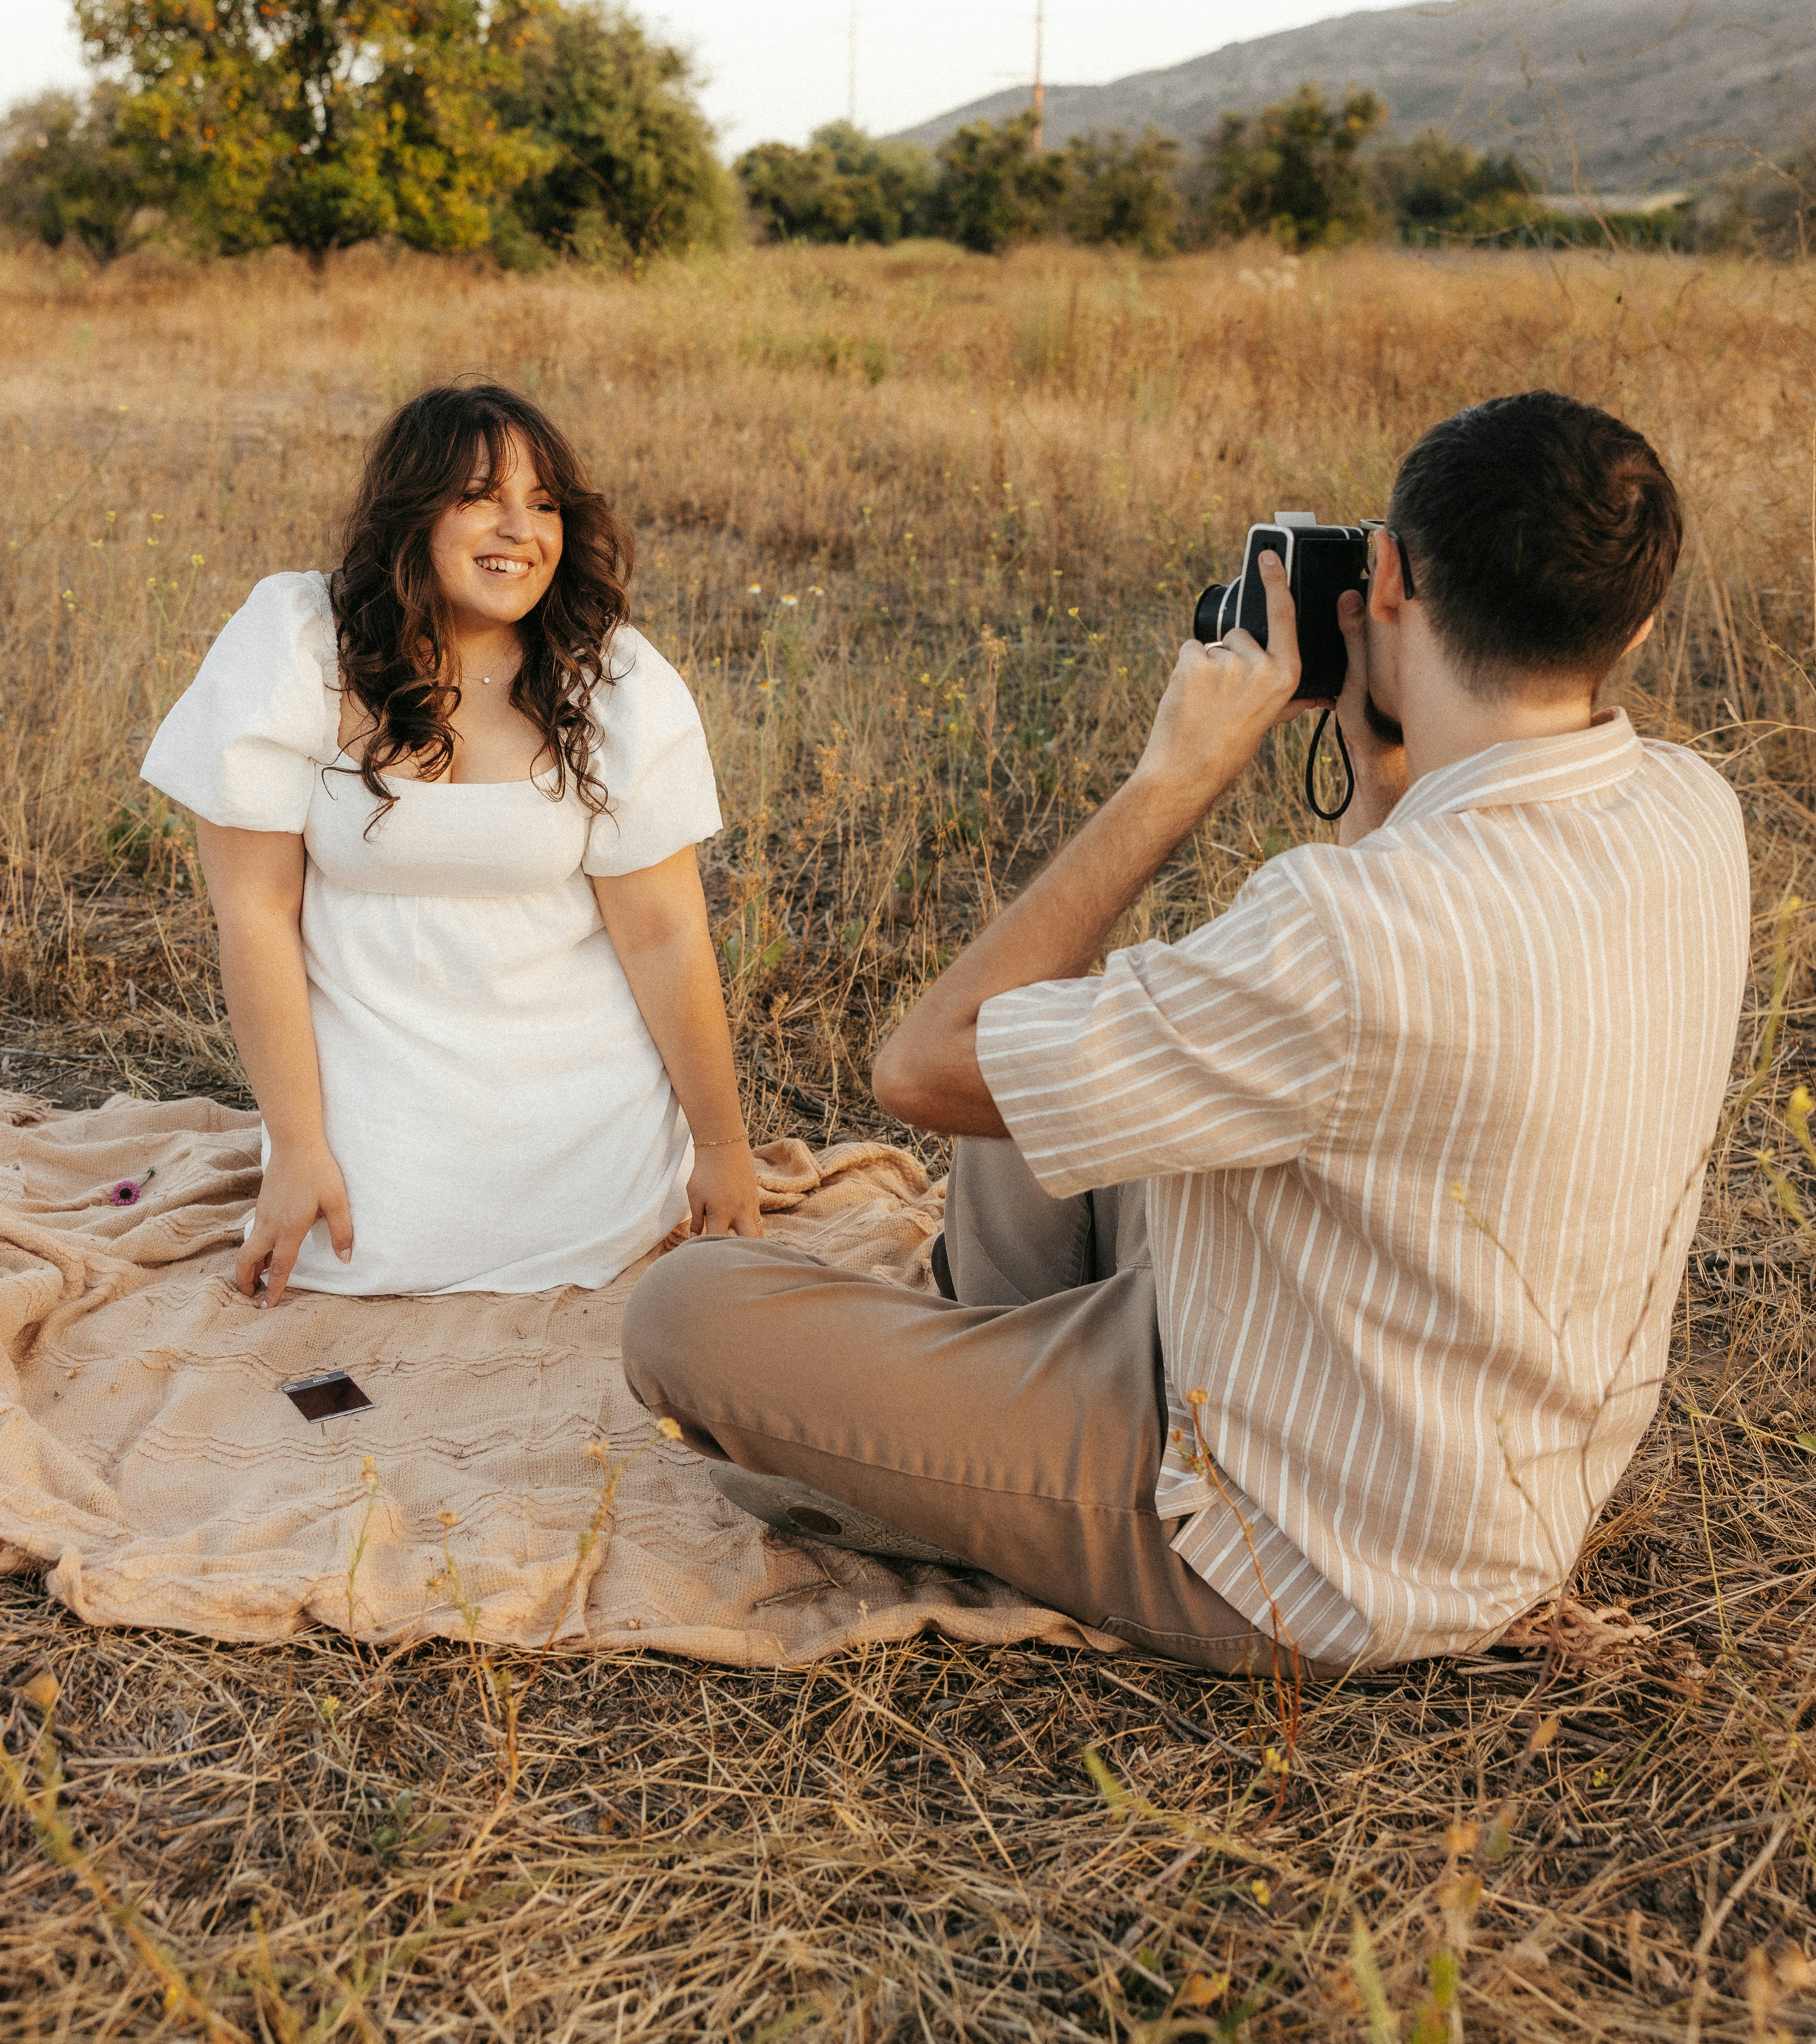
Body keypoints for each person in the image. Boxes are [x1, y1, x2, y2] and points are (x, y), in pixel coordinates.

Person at [622, 392, 1749, 1672]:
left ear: (1382, 576)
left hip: (1280, 1539)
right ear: (1641, 619)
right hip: (1457, 1465)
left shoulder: (1344, 935)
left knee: (687, 1312)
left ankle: (972, 1443)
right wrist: (1384, 787)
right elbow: (1409, 1029)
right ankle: (984, 1379)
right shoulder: (1690, 808)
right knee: (1063, 1022)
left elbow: (922, 1067)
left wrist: (1177, 773)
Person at [143, 381, 760, 1306]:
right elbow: (256, 912)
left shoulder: (610, 678)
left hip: (580, 1116)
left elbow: (664, 934)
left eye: (543, 505)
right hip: (375, 1107)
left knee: (603, 1251)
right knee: (355, 1255)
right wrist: (299, 1147)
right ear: (411, 512)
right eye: (480, 498)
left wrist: (721, 1147)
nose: (521, 530)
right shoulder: (301, 644)